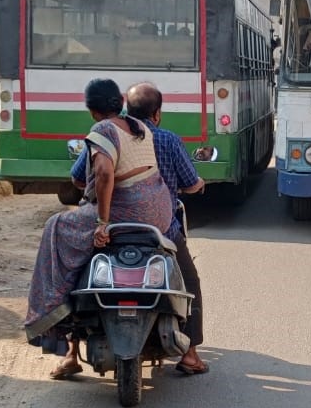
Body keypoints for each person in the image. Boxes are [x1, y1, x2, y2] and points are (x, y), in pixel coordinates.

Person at [24, 79, 173, 379]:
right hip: (158, 213)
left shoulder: (102, 130)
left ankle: (51, 313)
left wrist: (102, 223)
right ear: (119, 101)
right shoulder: (136, 125)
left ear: (92, 111)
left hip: (125, 211)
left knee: (56, 227)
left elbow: (103, 172)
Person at [68, 81, 207, 375]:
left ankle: (69, 352)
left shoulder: (107, 132)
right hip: (159, 227)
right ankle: (191, 354)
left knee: (74, 271)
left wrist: (103, 220)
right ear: (156, 114)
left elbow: (82, 178)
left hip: (113, 227)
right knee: (189, 283)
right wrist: (197, 185)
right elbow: (191, 184)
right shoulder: (162, 138)